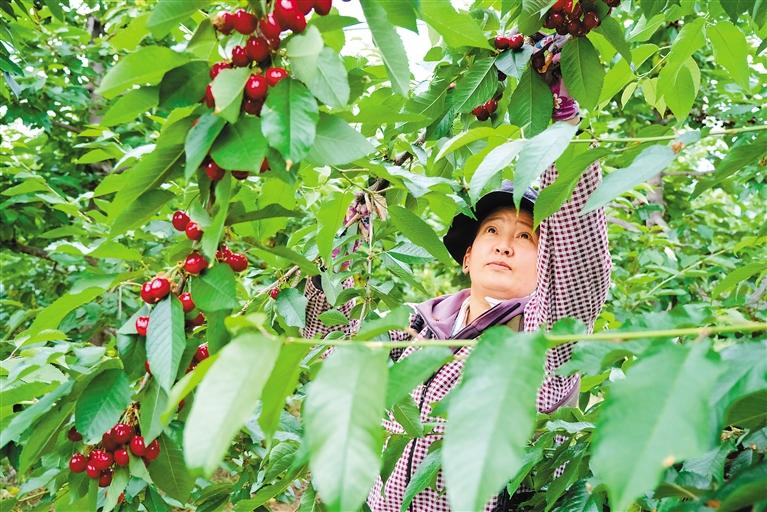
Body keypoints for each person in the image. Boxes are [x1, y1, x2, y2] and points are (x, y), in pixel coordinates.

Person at [301, 32, 612, 512]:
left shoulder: (543, 341)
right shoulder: (415, 327)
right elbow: (332, 345)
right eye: (492, 231)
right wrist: (348, 236)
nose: (505, 244)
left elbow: (580, 260)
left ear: (546, 259)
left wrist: (561, 127)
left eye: (526, 237)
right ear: (467, 257)